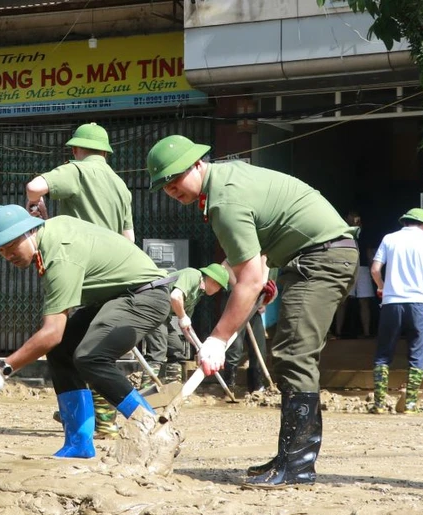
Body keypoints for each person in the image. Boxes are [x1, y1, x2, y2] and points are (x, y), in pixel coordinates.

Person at [148, 134, 357, 487]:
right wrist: (254, 277)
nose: (172, 189)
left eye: (175, 179)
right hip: (306, 256)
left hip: (321, 258)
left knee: (294, 354)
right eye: (165, 186)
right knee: (289, 352)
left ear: (198, 164)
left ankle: (298, 466)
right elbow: (254, 254)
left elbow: (249, 280)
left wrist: (217, 338)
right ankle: (288, 457)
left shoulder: (224, 200)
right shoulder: (227, 183)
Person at [0, 205, 173, 458]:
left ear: (29, 231)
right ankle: (78, 444)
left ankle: (153, 432)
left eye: (10, 246)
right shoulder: (49, 237)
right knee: (61, 352)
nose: (7, 255)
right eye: (1, 251)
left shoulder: (60, 254)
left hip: (145, 295)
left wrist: (3, 368)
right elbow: (55, 338)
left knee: (90, 356)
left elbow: (51, 333)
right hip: (113, 298)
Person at [25, 122, 135, 437]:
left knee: (83, 348)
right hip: (117, 269)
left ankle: (101, 420)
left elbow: (35, 187)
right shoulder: (120, 185)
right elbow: (129, 238)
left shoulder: (77, 171)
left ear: (76, 150)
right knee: (93, 344)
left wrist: (34, 209)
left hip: (84, 267)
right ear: (105, 152)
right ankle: (92, 413)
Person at [369, 208, 423, 414]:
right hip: (418, 303)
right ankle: (410, 404)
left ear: (405, 223)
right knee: (417, 354)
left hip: (391, 303)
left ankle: (378, 404)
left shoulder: (389, 239)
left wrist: (382, 287)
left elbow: (375, 269)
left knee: (383, 354)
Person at [145, 263, 229, 384]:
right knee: (158, 350)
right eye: (219, 287)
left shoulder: (197, 294)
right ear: (213, 281)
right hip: (152, 308)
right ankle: (147, 390)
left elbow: (186, 327)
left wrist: (199, 346)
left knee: (177, 349)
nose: (218, 290)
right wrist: (183, 316)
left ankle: (173, 387)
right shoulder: (193, 275)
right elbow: (175, 296)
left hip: (162, 316)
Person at [334, 211, 375, 338]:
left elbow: (369, 252)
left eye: (357, 216)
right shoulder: (342, 231)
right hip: (346, 267)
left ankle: (366, 332)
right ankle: (338, 332)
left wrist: (373, 269)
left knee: (364, 300)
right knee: (342, 301)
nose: (354, 218)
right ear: (346, 218)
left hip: (362, 268)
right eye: (351, 216)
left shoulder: (365, 233)